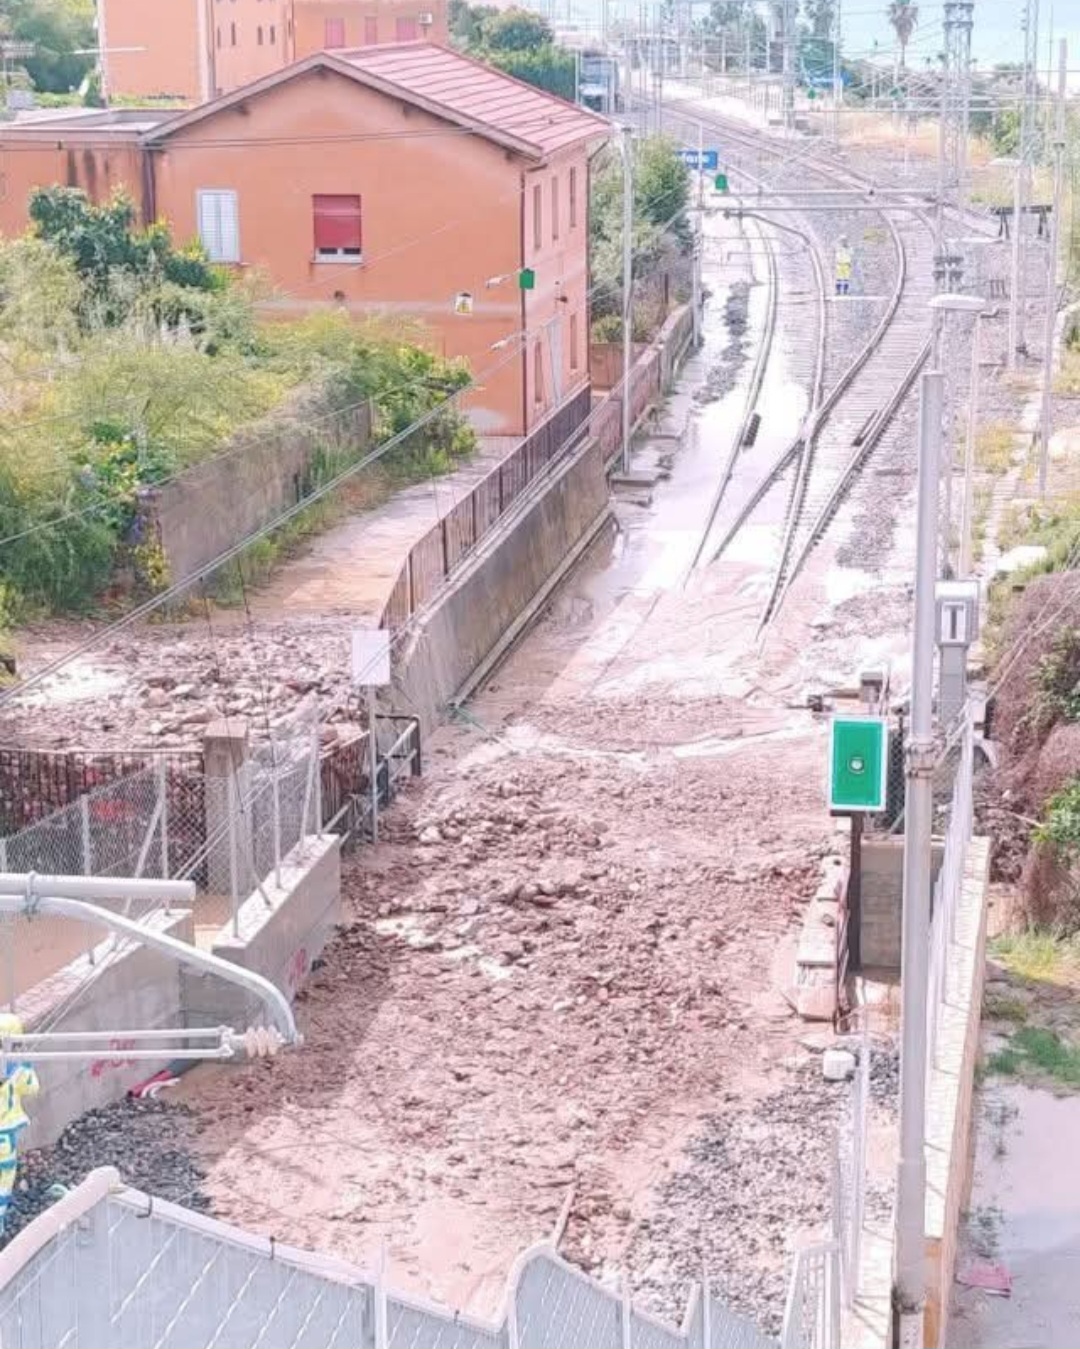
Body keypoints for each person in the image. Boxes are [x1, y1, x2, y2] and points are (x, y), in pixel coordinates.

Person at [0, 1014, 39, 1235]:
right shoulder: (18, 1072)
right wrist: (26, 1062)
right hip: (5, 1137)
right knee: (3, 1180)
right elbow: (33, 1088)